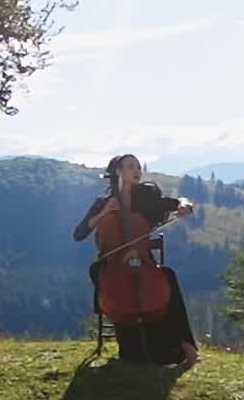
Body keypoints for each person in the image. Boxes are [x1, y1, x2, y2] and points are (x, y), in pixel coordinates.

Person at [73, 153, 200, 369]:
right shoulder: (103, 203)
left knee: (167, 276)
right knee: (105, 278)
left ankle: (187, 347)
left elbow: (177, 201)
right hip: (112, 265)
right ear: (118, 172)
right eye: (130, 166)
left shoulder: (146, 197)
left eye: (138, 166)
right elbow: (79, 233)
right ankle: (133, 346)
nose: (137, 170)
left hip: (143, 263)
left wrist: (184, 204)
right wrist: (104, 213)